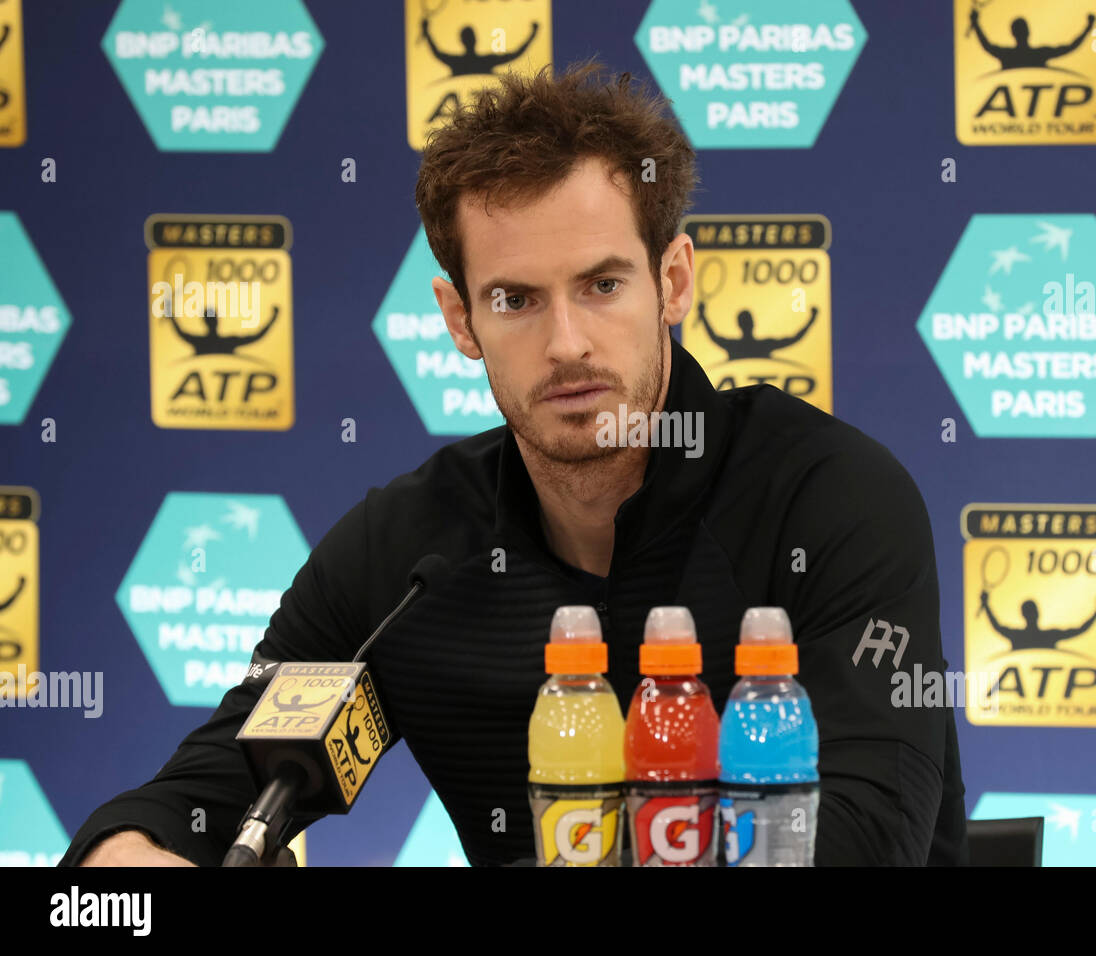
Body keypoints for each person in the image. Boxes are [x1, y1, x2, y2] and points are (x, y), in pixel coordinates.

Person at [63, 60, 968, 867]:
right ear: (461, 320)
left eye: (602, 285)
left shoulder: (831, 500)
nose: (567, 343)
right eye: (516, 299)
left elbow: (867, 835)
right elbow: (219, 782)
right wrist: (133, 855)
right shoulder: (407, 557)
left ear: (676, 281)